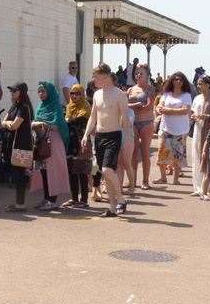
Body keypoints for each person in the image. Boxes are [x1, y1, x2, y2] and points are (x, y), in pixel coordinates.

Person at [82, 63, 131, 217]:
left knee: (107, 170)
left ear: (105, 77)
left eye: (96, 77)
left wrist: (128, 136)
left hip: (114, 135)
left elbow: (125, 118)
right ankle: (112, 207)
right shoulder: (97, 94)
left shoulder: (119, 94)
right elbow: (93, 117)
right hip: (99, 136)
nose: (93, 80)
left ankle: (122, 200)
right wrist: (85, 135)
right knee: (105, 175)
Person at [30, 82, 70, 211]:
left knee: (53, 171)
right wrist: (37, 124)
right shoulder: (40, 107)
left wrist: (43, 124)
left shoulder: (56, 106)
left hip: (53, 142)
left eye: (43, 91)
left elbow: (59, 126)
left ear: (50, 92)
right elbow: (35, 123)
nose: (41, 94)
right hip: (41, 143)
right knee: (43, 171)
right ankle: (46, 198)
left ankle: (53, 201)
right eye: (39, 91)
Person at [154, 72, 192, 186]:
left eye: (180, 79)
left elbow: (185, 110)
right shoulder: (166, 94)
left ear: (183, 81)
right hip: (166, 128)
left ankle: (176, 179)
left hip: (180, 130)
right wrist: (162, 109)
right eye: (175, 79)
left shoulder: (186, 95)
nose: (178, 81)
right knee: (162, 154)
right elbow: (159, 106)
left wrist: (167, 110)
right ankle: (163, 177)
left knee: (177, 156)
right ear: (172, 81)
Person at [1, 82, 34, 212]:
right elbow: (3, 121)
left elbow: (14, 125)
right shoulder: (15, 106)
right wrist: (8, 123)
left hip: (22, 145)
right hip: (13, 145)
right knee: (16, 174)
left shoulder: (24, 107)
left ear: (21, 92)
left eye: (14, 91)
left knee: (20, 174)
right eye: (11, 91)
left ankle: (20, 204)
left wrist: (7, 124)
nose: (12, 93)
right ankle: (18, 203)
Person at [62, 84, 92, 209]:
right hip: (70, 143)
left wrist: (68, 120)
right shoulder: (69, 107)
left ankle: (84, 200)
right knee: (72, 172)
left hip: (81, 143)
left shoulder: (85, 107)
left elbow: (76, 120)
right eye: (72, 93)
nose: (74, 96)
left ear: (82, 94)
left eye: (77, 93)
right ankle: (74, 199)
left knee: (82, 172)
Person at [127, 64, 155, 190]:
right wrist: (137, 104)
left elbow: (148, 106)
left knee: (145, 153)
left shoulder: (150, 89)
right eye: (136, 73)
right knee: (133, 153)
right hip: (133, 122)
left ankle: (145, 180)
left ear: (147, 75)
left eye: (141, 73)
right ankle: (132, 180)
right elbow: (124, 104)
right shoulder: (131, 89)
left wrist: (134, 104)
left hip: (147, 122)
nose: (138, 75)